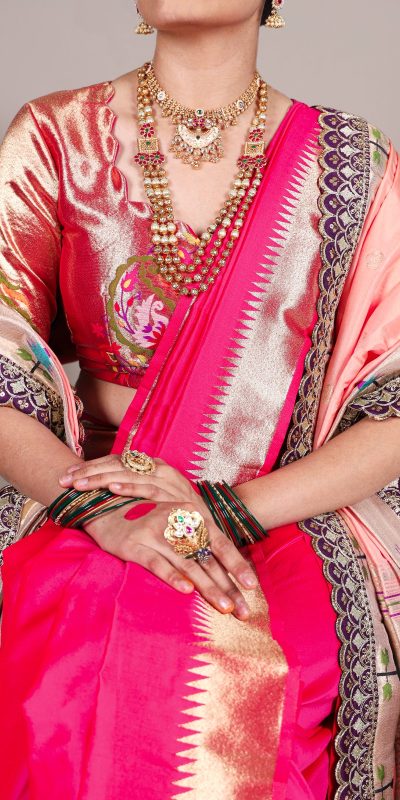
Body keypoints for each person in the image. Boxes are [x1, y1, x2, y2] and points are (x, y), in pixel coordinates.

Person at [0, 1, 399, 797]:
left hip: (282, 510)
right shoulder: (55, 137)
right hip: (92, 496)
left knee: (255, 659)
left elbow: (392, 408)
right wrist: (105, 514)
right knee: (89, 647)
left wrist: (223, 512)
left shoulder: (355, 165)